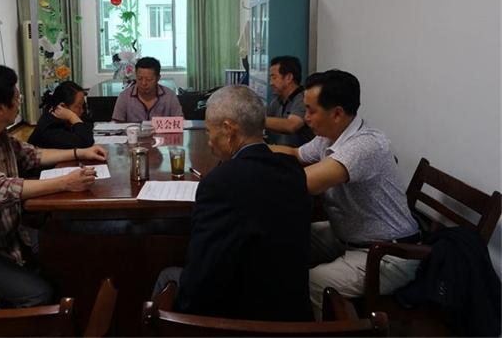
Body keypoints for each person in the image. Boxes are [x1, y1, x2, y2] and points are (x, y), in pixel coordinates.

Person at [0, 65, 107, 308]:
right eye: (17, 97)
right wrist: (65, 182)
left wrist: (81, 152)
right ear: (0, 108)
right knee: (40, 292)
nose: (20, 102)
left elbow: (34, 155)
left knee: (68, 247)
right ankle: (6, 320)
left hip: (10, 238)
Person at [153, 85, 313, 321]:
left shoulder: (219, 184)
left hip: (239, 318)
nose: (209, 141)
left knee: (167, 276)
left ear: (228, 130)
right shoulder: (293, 171)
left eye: (209, 132)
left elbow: (201, 277)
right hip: (292, 313)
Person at [271, 69, 420, 317]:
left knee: (312, 282)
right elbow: (295, 154)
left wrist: (246, 176)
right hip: (349, 235)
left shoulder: (365, 146)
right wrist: (252, 150)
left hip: (386, 253)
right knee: (283, 238)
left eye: (311, 110)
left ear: (337, 113)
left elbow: (305, 183)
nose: (306, 117)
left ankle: (322, 328)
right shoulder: (329, 136)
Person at [111, 56, 183, 122]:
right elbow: (116, 125)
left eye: (149, 79)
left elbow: (180, 123)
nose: (144, 83)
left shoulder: (169, 96)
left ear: (158, 78)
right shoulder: (124, 97)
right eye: (139, 78)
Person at [28, 80, 94, 149]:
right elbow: (86, 142)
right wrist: (71, 116)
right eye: (79, 106)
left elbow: (88, 124)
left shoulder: (60, 117)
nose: (82, 110)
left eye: (83, 105)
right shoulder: (50, 128)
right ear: (62, 106)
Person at [265, 55, 313, 147]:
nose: (271, 83)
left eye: (274, 78)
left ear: (288, 78)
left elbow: (291, 125)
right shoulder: (277, 101)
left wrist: (255, 121)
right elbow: (265, 116)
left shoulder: (303, 99)